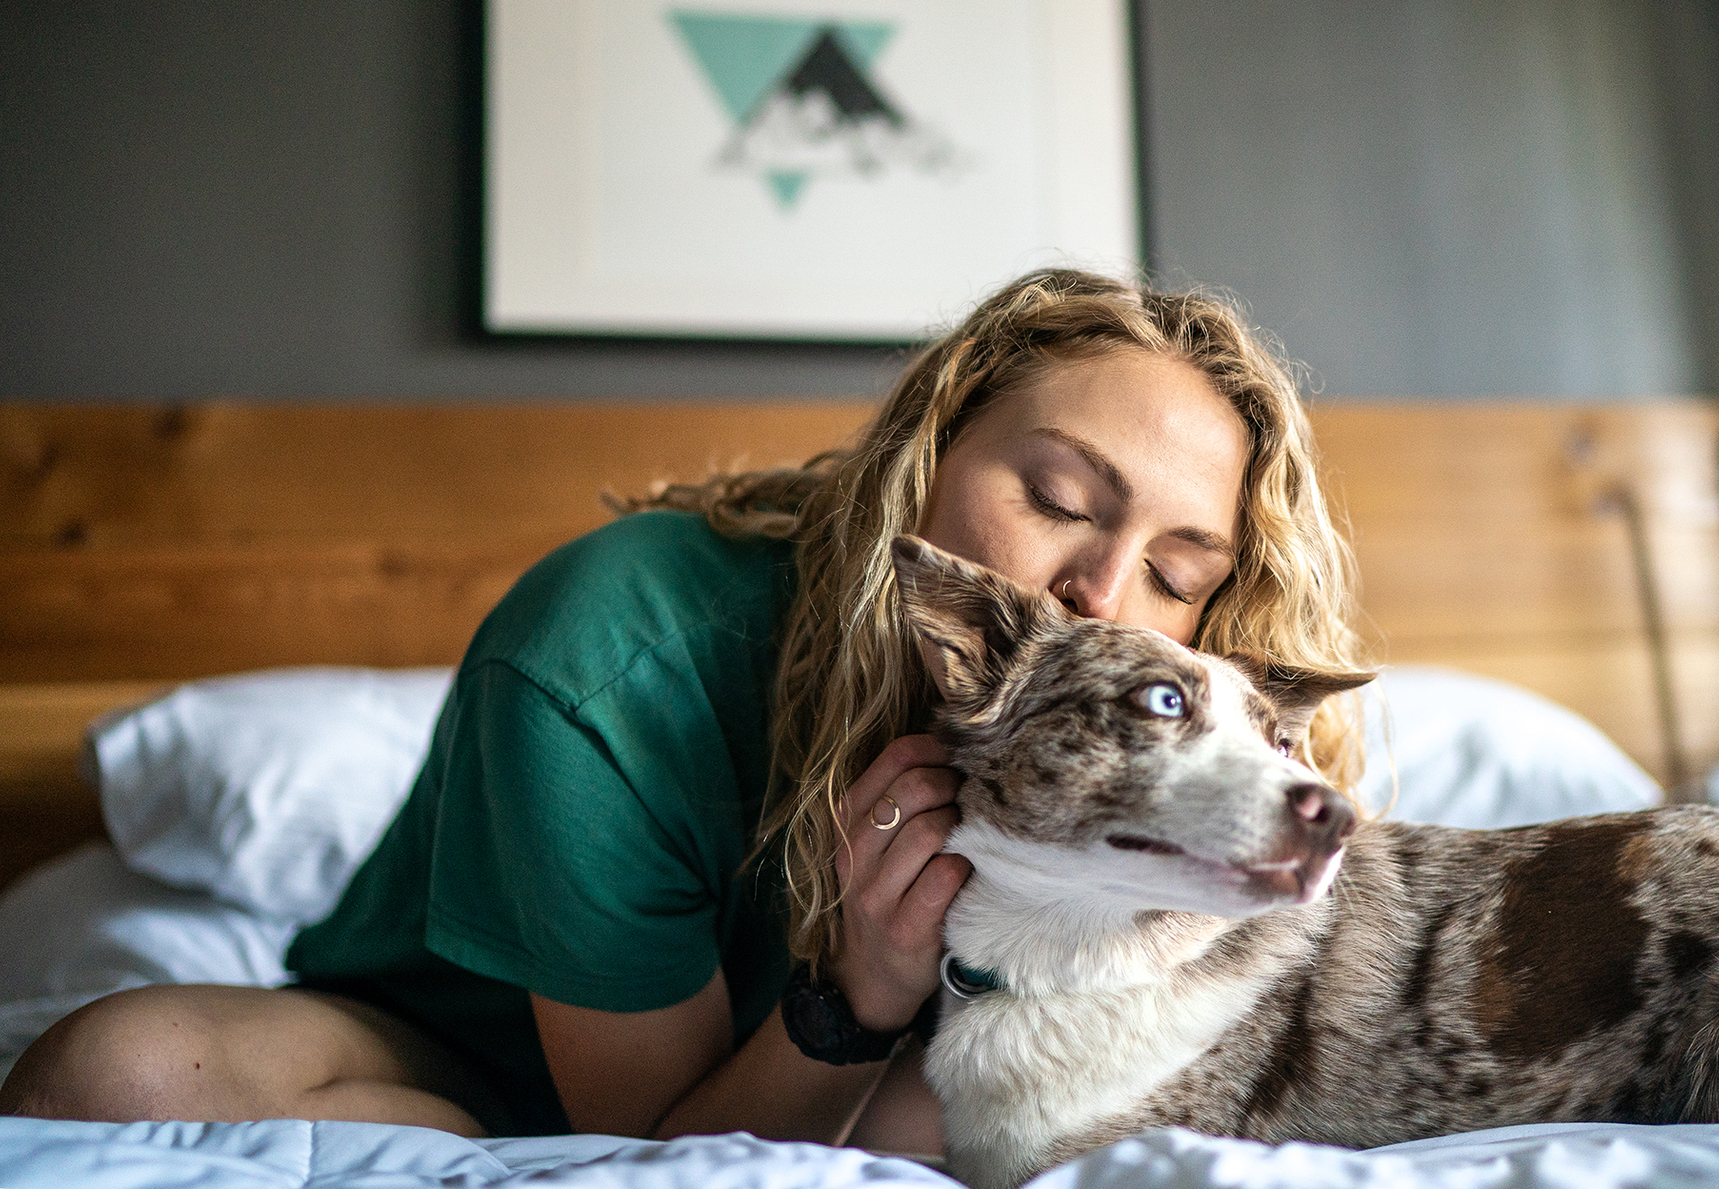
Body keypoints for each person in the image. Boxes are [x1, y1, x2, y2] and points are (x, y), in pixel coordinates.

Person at [0, 270, 1372, 1149]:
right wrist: (851, 994)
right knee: (110, 1074)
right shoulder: (609, 654)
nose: (1102, 594)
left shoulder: (1164, 746)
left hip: (893, 1059)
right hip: (461, 1038)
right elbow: (655, 1141)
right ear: (923, 458)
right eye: (1059, 500)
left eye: (1180, 573)